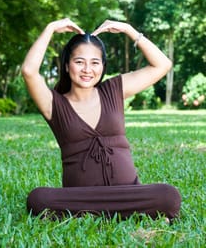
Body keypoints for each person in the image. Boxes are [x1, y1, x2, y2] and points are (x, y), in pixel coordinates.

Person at [21, 18, 181, 221]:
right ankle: (124, 214)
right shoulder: (54, 104)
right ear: (67, 66)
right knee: (38, 199)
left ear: (102, 66)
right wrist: (50, 28)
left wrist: (129, 30)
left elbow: (162, 64)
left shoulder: (113, 89)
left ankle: (93, 215)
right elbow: (29, 71)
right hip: (82, 197)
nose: (87, 69)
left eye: (94, 62)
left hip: (127, 192)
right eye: (79, 62)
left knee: (169, 195)